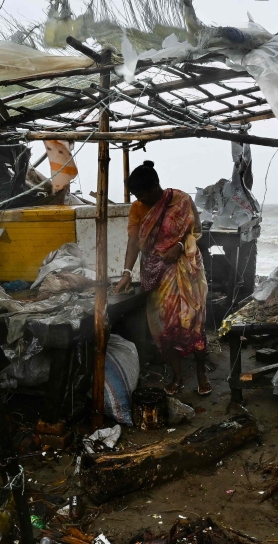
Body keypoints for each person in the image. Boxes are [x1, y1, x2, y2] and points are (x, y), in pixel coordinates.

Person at [115, 161, 211, 396]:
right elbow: (133, 242)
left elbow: (195, 231)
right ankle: (177, 376)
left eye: (140, 194)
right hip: (157, 273)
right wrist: (126, 273)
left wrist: (179, 246)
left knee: (193, 320)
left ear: (154, 187)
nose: (138, 199)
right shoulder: (137, 208)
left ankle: (201, 373)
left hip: (186, 269)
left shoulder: (181, 200)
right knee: (165, 324)